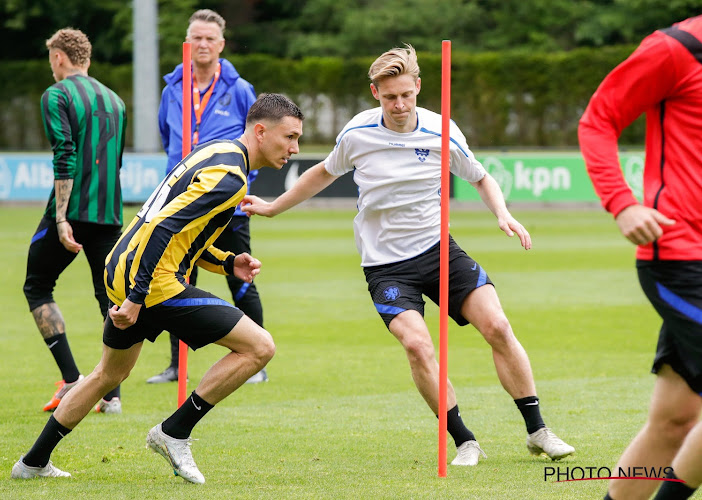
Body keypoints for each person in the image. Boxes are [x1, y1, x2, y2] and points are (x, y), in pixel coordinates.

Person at [242, 45, 574, 466]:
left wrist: (503, 213)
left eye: (405, 94)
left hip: (439, 250)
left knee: (499, 326)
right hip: (385, 265)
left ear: (417, 87)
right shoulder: (357, 134)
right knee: (418, 346)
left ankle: (538, 430)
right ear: (374, 93)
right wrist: (273, 206)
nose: (398, 105)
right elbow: (321, 173)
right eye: (388, 97)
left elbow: (482, 177)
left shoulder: (442, 131)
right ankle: (464, 440)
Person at [11, 93, 304, 483]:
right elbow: (162, 228)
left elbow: (183, 234)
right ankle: (174, 432)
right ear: (262, 131)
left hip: (123, 267)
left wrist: (227, 262)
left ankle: (31, 463)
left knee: (106, 376)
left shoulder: (216, 151)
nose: (295, 148)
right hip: (149, 282)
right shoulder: (230, 177)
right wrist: (136, 297)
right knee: (259, 346)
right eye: (290, 137)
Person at [579, 15, 702, 500]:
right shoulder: (678, 48)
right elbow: (599, 119)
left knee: (673, 421)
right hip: (681, 257)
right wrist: (623, 202)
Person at [149, 8, 267, 385]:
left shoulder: (239, 89)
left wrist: (238, 185)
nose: (201, 44)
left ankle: (257, 361)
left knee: (241, 276)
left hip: (227, 206)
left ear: (221, 45)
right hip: (181, 205)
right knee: (173, 280)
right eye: (195, 38)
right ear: (187, 43)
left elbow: (258, 142)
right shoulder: (172, 88)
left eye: (209, 39)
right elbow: (169, 141)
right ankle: (175, 365)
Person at [23, 28, 125, 415]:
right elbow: (115, 163)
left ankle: (71, 381)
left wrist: (62, 217)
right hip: (110, 213)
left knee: (37, 286)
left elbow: (64, 155)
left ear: (59, 58)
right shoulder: (115, 100)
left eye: (51, 57)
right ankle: (112, 396)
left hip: (72, 211)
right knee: (109, 300)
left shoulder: (57, 95)